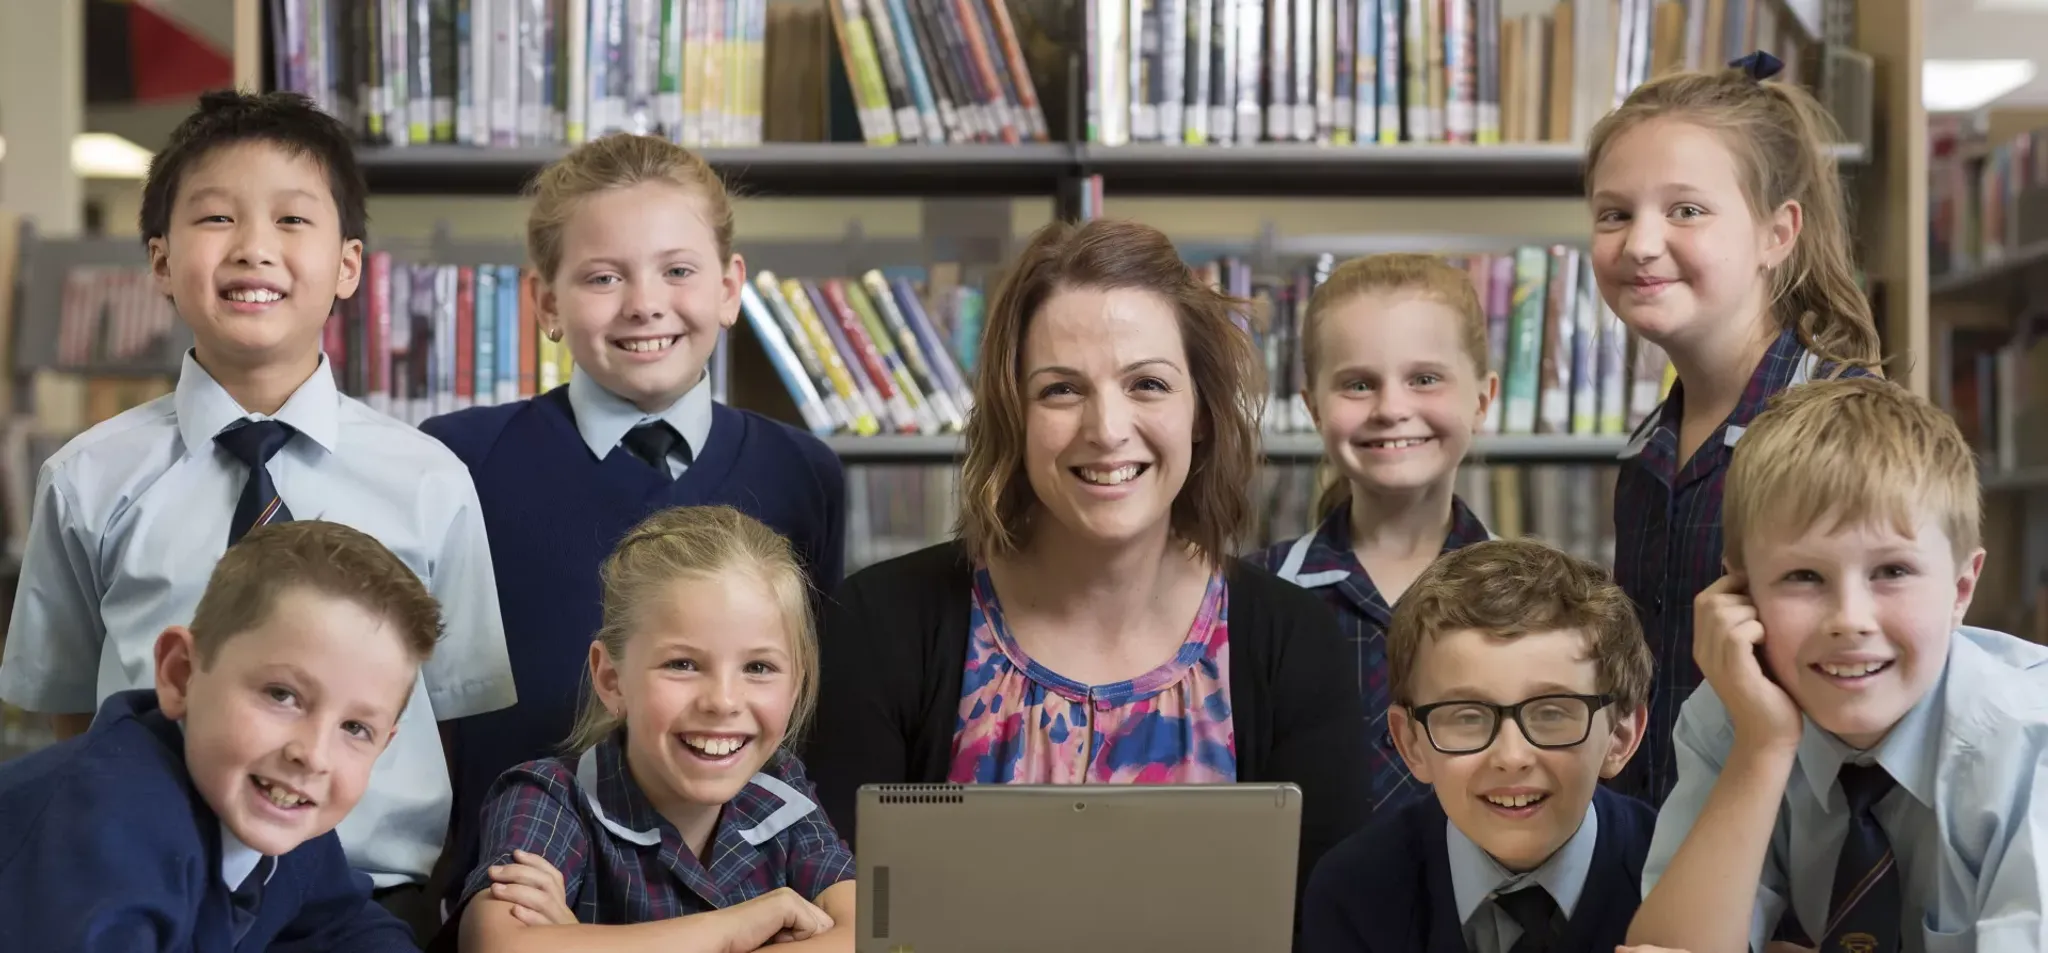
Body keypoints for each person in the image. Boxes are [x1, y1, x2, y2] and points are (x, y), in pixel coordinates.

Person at [0, 89, 515, 933]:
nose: (252, 250)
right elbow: (74, 717)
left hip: (377, 898)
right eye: (215, 220)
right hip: (148, 887)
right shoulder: (86, 478)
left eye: (291, 220)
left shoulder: (430, 479)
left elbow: (448, 714)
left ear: (349, 266)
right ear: (159, 261)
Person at [806, 217, 1372, 913]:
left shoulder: (1293, 644)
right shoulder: (878, 625)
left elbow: (1325, 926)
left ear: (1200, 410)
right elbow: (835, 917)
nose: (1106, 430)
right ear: (1014, 414)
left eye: (1147, 384)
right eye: (1061, 390)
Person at [420, 133, 846, 889]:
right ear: (545, 301)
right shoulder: (456, 461)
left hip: (739, 889)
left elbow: (804, 710)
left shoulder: (803, 472)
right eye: (603, 277)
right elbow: (418, 714)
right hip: (522, 888)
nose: (645, 303)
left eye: (678, 270)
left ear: (728, 286)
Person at [1626, 377, 2048, 952]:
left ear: (1961, 587)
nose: (1850, 620)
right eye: (1803, 577)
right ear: (1740, 592)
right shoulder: (1735, 717)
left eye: (1892, 572)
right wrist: (1763, 748)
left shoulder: (2030, 741)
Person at [1587, 51, 1885, 805]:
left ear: (1776, 234)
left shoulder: (1839, 428)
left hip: (1798, 867)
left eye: (1686, 209)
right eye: (1614, 213)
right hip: (1666, 851)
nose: (1641, 243)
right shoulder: (1649, 446)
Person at [0, 521, 440, 950]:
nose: (313, 754)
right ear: (180, 674)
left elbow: (344, 926)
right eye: (282, 695)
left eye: (355, 728)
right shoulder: (102, 855)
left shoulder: (276, 807)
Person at [450, 505, 854, 952]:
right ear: (611, 680)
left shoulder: (783, 790)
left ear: (795, 685)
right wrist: (743, 925)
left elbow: (878, 936)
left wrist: (576, 942)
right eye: (682, 664)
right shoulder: (548, 798)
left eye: (758, 667)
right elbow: (500, 946)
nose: (722, 701)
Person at [1299, 538, 1654, 953]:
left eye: (1552, 713)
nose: (1511, 757)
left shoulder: (1687, 881)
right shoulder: (1354, 892)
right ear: (1411, 743)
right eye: (1467, 717)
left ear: (1621, 735)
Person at [1248, 253, 1498, 814]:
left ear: (1483, 399)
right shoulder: (1253, 598)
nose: (1391, 408)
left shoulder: (1537, 600)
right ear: (1313, 407)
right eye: (1358, 384)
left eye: (1425, 379)